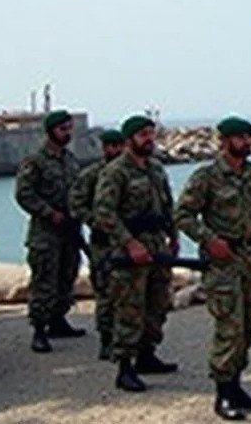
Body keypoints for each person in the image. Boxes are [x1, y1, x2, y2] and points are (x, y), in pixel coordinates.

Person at [176, 116, 251, 420]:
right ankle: (223, 394)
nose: (247, 143)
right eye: (240, 138)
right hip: (222, 261)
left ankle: (236, 386)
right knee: (229, 326)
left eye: (249, 137)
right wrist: (209, 240)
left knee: (247, 325)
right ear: (224, 142)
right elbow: (183, 215)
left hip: (250, 256)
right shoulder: (206, 177)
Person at [93, 114, 179, 392]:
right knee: (129, 308)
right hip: (129, 249)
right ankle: (125, 366)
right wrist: (129, 243)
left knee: (158, 303)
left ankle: (147, 354)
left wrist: (174, 235)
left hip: (157, 245)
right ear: (129, 140)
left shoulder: (156, 169)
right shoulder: (116, 172)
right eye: (143, 135)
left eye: (152, 134)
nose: (149, 140)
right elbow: (104, 212)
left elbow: (167, 205)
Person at [14, 109, 84, 354]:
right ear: (51, 132)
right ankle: (39, 329)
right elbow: (24, 194)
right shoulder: (36, 161)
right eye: (63, 129)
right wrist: (49, 213)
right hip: (46, 232)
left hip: (70, 228)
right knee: (45, 279)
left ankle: (58, 319)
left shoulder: (70, 160)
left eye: (69, 129)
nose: (67, 133)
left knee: (67, 274)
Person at [67, 128, 127, 359]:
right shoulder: (93, 175)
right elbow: (76, 204)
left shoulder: (134, 172)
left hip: (130, 241)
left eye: (120, 146)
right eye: (112, 146)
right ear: (104, 148)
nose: (117, 150)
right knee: (105, 293)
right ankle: (107, 338)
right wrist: (94, 221)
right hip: (104, 244)